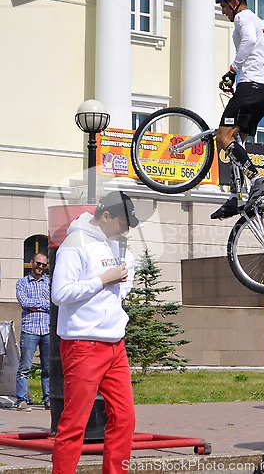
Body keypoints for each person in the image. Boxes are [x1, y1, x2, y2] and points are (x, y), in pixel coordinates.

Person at [51, 190, 139, 474]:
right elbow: (59, 293)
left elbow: (119, 289)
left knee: (125, 419)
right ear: (105, 217)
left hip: (115, 345)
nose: (126, 231)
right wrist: (103, 280)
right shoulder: (75, 244)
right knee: (74, 424)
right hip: (83, 344)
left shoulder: (114, 245)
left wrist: (123, 279)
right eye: (123, 224)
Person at [211, 0, 264, 220]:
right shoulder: (261, 24)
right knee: (236, 143)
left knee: (222, 137)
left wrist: (234, 70)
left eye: (224, 6)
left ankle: (257, 179)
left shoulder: (243, 19)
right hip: (263, 91)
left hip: (251, 87)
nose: (223, 11)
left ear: (235, 2)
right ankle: (235, 197)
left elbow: (247, 41)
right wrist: (250, 80)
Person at [15, 253, 50, 412]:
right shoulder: (22, 283)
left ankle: (48, 399)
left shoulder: (49, 283)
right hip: (30, 330)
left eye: (43, 264)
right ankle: (21, 400)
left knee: (48, 368)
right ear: (31, 263)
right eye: (38, 263)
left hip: (47, 330)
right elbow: (24, 302)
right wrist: (44, 304)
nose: (40, 267)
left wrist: (36, 306)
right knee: (25, 367)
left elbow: (54, 304)